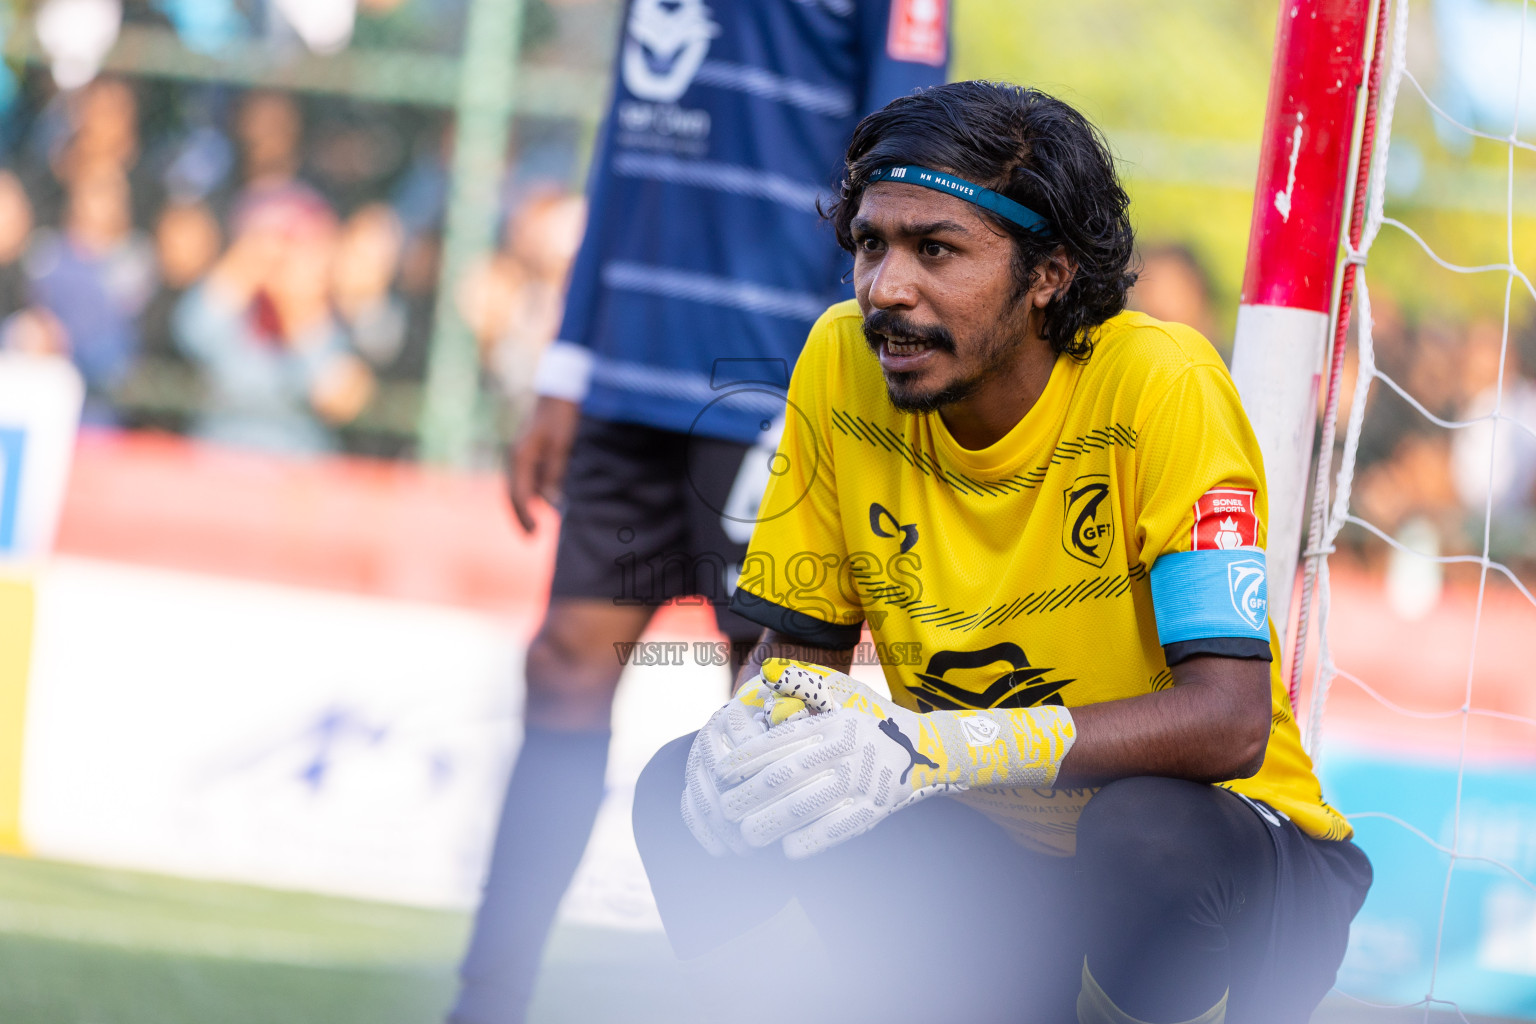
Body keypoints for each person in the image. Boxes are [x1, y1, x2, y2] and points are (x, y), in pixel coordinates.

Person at [633, 81, 1372, 1024]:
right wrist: (760, 727)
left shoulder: (1163, 384)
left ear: (1049, 273)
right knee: (695, 790)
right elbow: (799, 671)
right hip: (990, 861)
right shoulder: (839, 360)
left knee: (1143, 834)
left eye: (936, 249)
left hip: (1224, 866)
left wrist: (934, 747)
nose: (886, 288)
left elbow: (1228, 726)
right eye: (870, 244)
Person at [447, 2, 948, 1022]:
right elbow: (627, 143)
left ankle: (771, 1000)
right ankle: (486, 998)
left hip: (775, 378)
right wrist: (567, 362)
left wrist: (849, 369)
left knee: (772, 711)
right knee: (563, 660)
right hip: (629, 373)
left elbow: (913, 158)